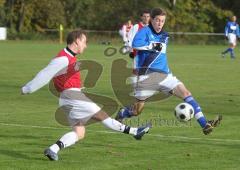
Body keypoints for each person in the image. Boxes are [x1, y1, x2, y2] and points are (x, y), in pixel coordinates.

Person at [21, 30, 151, 161]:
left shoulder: (69, 57)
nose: (86, 45)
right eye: (84, 41)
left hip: (66, 99)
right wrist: (28, 89)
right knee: (102, 116)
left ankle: (53, 149)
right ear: (77, 41)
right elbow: (45, 74)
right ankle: (135, 132)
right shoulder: (63, 58)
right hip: (72, 96)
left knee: (79, 132)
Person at [115, 8, 222, 135]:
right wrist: (153, 46)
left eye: (162, 21)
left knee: (186, 93)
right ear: (152, 20)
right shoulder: (144, 32)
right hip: (147, 77)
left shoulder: (165, 36)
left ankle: (204, 124)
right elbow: (135, 45)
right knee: (137, 110)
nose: (160, 23)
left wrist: (155, 47)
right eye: (157, 20)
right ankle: (123, 113)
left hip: (165, 75)